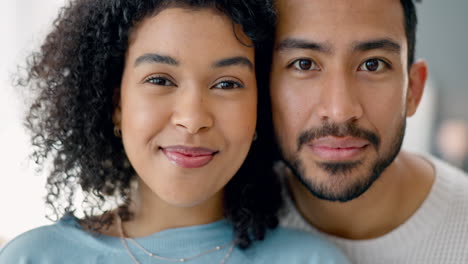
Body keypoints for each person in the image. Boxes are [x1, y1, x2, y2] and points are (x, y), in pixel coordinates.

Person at [0, 0, 350, 263]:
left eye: (227, 84)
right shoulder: (33, 258)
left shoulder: (311, 260)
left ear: (259, 109)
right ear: (115, 105)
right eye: (160, 80)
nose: (193, 118)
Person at [269, 0, 468, 263]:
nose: (340, 110)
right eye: (304, 64)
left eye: (373, 64)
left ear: (414, 90)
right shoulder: (219, 229)